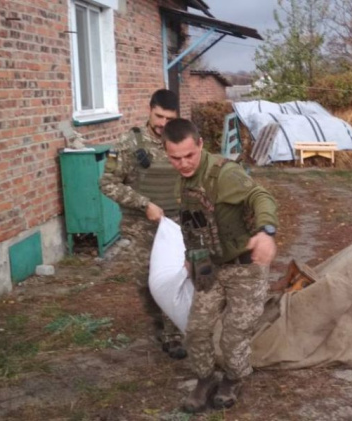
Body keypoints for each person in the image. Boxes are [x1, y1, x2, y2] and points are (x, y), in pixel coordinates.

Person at [161, 118, 278, 413]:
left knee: (234, 334)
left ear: (200, 144)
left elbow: (259, 195)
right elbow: (193, 224)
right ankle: (205, 378)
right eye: (176, 158)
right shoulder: (182, 181)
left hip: (245, 268)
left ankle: (232, 378)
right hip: (211, 266)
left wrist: (266, 231)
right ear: (167, 154)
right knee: (197, 330)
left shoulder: (225, 174)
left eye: (190, 155)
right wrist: (191, 257)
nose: (184, 163)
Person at [100, 89, 187, 359]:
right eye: (158, 116)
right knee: (147, 282)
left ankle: (174, 335)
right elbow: (107, 183)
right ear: (149, 110)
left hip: (178, 226)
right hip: (143, 227)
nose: (162, 123)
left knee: (178, 278)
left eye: (168, 118)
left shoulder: (182, 139)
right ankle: (160, 327)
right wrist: (143, 204)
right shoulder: (129, 144)